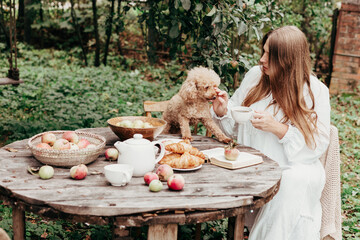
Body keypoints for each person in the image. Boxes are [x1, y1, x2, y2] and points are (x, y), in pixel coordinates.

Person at [211, 26, 331, 239]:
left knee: (291, 182)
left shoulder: (315, 91)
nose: (261, 59)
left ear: (287, 59)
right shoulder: (255, 76)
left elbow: (318, 144)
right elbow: (234, 126)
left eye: (269, 55)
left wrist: (278, 128)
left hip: (296, 168)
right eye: (263, 51)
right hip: (252, 165)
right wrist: (222, 112)